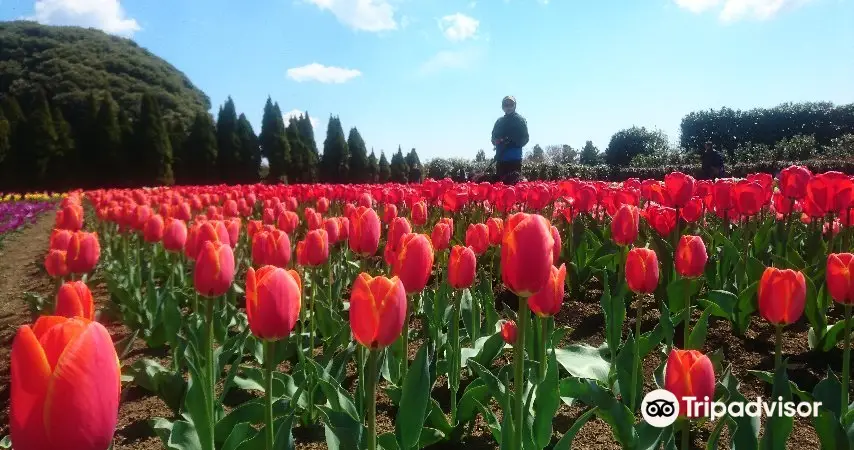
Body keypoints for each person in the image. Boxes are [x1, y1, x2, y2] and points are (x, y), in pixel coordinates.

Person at [491, 96, 529, 184]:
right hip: (501, 158)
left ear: (514, 106)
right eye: (506, 104)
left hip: (514, 159)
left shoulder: (520, 120)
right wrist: (496, 141)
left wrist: (512, 142)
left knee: (514, 185)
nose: (508, 107)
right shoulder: (499, 121)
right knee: (500, 185)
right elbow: (493, 138)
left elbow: (525, 138)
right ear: (502, 107)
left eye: (511, 104)